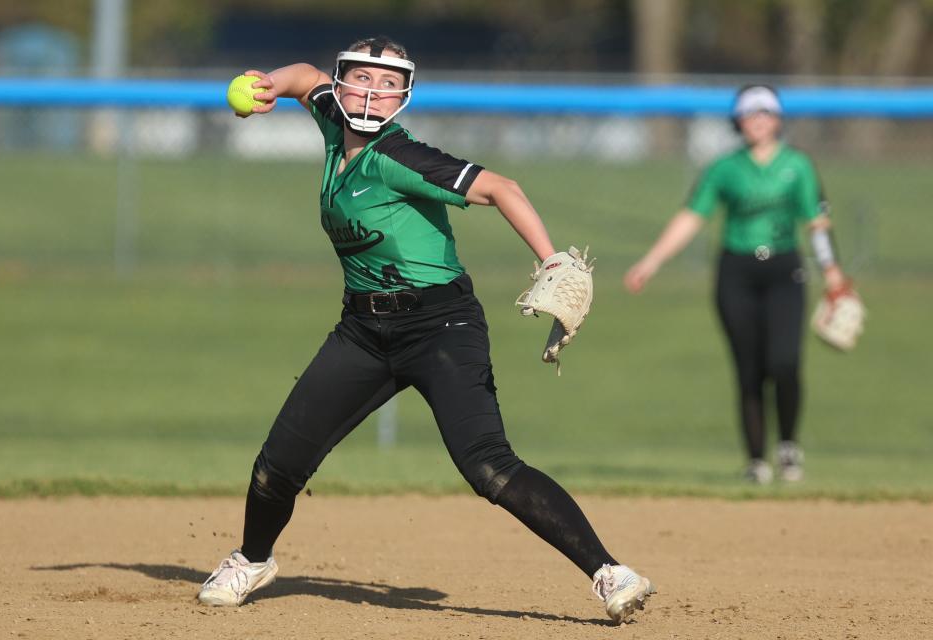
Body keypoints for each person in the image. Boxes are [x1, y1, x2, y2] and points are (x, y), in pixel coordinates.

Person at [197, 36, 654, 624]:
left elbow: (501, 188)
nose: (373, 90)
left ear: (402, 96)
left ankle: (610, 572)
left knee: (489, 466)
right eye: (362, 76)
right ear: (343, 83)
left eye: (388, 83)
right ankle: (251, 560)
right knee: (277, 464)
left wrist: (552, 261)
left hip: (442, 326)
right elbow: (303, 74)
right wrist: (264, 84)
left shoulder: (399, 156)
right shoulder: (335, 122)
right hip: (362, 330)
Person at [624, 84, 850, 485]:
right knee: (749, 368)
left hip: (784, 270)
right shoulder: (724, 168)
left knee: (784, 362)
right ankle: (756, 459)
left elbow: (816, 222)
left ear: (778, 120)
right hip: (737, 272)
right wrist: (652, 261)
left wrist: (832, 272)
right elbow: (692, 216)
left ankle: (788, 446)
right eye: (749, 113)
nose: (758, 120)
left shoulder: (797, 165)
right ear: (738, 122)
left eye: (765, 112)